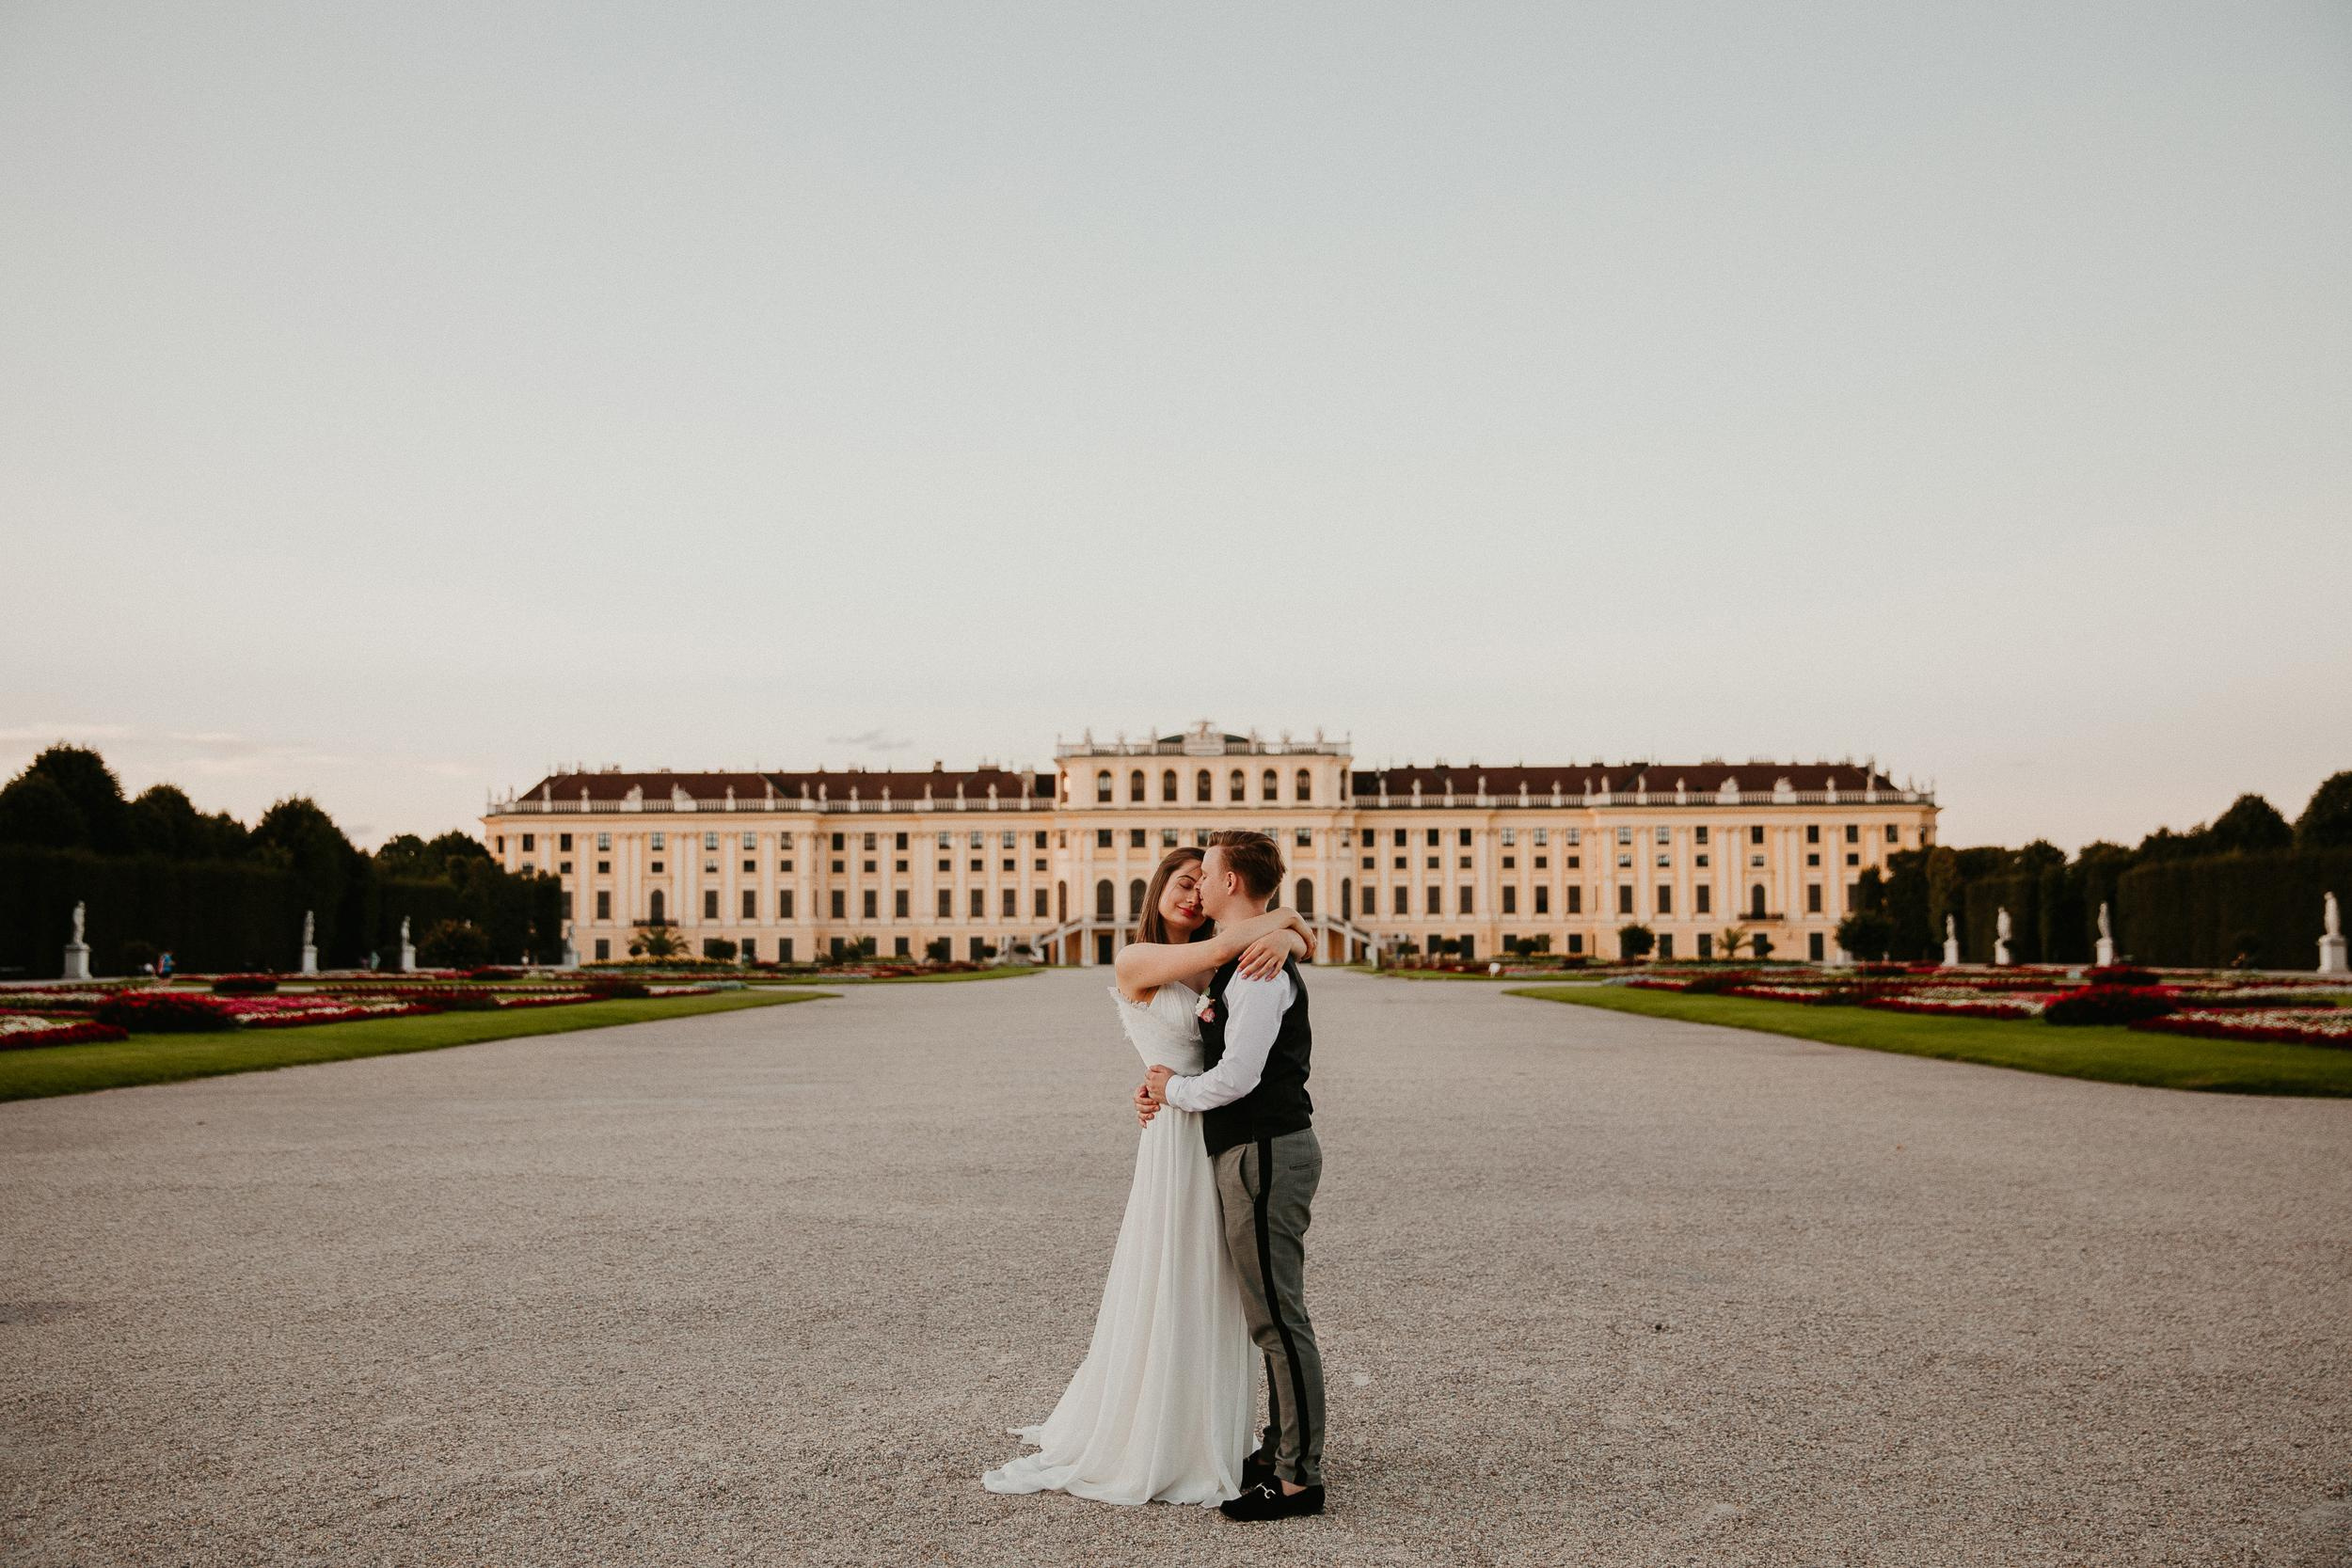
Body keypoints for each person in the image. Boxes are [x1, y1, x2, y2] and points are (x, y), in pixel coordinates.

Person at [983, 847, 1315, 1507]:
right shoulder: (1140, 959)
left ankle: (1212, 1430)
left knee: (1224, 1288)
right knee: (1171, 1274)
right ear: (1157, 884)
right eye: (1182, 882)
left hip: (1217, 1123)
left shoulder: (1229, 958)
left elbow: (1240, 971)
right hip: (1176, 1134)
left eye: (1202, 884)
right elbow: (1232, 948)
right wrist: (1285, 923)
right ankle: (1165, 1430)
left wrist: (1285, 930)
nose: (1192, 895)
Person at [1141, 830, 1327, 1521]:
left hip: (1264, 1145)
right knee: (1269, 1313)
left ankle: (1299, 1478)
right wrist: (1288, 929)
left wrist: (1170, 1091)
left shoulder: (1256, 968)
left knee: (1278, 1317)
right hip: (1256, 1147)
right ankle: (1282, 1450)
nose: (1199, 883)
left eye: (1208, 872)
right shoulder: (1248, 955)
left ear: (1229, 884)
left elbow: (1238, 1077)